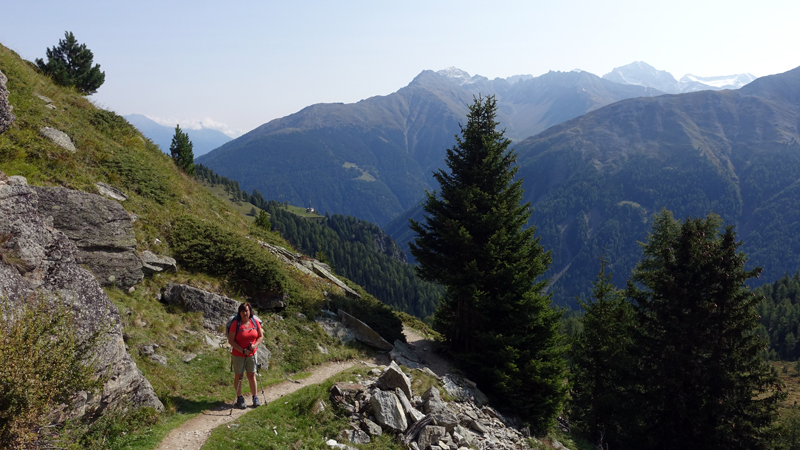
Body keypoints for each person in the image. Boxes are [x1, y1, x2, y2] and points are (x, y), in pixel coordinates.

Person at [227, 302, 263, 408]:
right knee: (239, 376)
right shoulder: (236, 324)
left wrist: (254, 345)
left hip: (252, 353)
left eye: (246, 310)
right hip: (238, 355)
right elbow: (231, 341)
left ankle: (255, 398)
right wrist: (242, 350)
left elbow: (260, 336)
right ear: (240, 312)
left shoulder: (255, 322)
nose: (245, 313)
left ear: (250, 311)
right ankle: (239, 398)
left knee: (252, 375)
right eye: (242, 311)